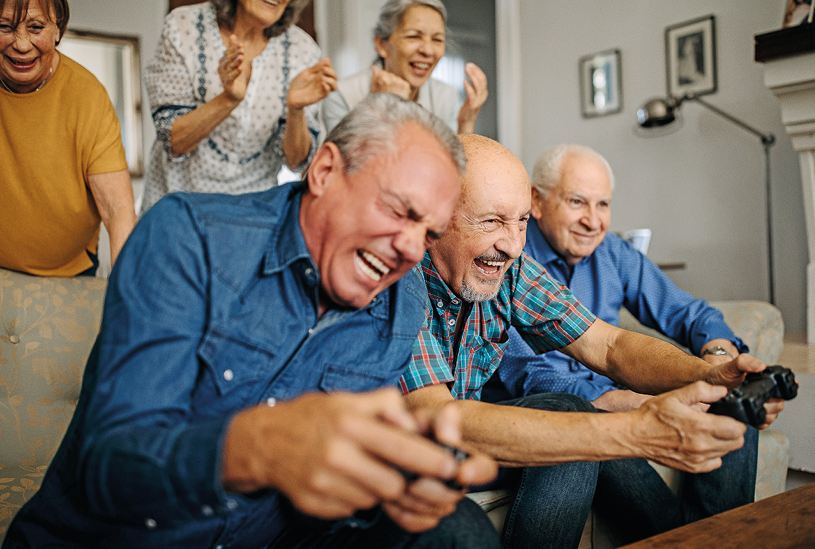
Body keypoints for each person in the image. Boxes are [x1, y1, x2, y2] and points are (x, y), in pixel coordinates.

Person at [2, 94, 499, 549]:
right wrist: (254, 446)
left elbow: (322, 511)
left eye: (428, 233)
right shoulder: (191, 236)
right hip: (116, 540)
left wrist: (391, 484)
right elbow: (107, 468)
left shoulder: (400, 305)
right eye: (399, 210)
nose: (411, 249)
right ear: (325, 170)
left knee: (456, 531)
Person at [400, 134, 784, 549]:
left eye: (521, 222)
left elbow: (609, 346)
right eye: (492, 220)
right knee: (572, 410)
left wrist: (713, 375)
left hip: (470, 440)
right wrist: (632, 425)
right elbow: (443, 417)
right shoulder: (399, 278)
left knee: (577, 410)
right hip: (410, 449)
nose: (513, 245)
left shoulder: (512, 269)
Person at [487, 144, 749, 413]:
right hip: (537, 403)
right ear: (537, 202)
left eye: (602, 204)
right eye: (577, 202)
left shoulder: (614, 253)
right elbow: (525, 371)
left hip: (609, 390)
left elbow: (686, 312)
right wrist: (623, 403)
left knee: (733, 404)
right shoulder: (507, 257)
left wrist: (717, 358)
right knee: (576, 409)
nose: (593, 221)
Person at [140, 0, 338, 214]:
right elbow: (174, 142)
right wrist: (228, 99)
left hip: (251, 215)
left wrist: (295, 110)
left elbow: (296, 162)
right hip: (178, 209)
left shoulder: (303, 49)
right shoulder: (183, 26)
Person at [0, 0, 137, 277]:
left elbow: (117, 209)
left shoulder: (88, 96)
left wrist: (127, 297)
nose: (22, 45)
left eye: (36, 27)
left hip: (72, 269)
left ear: (58, 30)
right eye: (5, 27)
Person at [321, 0, 488, 135]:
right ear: (381, 44)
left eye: (437, 39)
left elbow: (455, 172)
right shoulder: (342, 95)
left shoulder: (446, 97)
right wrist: (381, 106)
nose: (428, 50)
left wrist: (466, 122)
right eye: (413, 36)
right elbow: (347, 170)